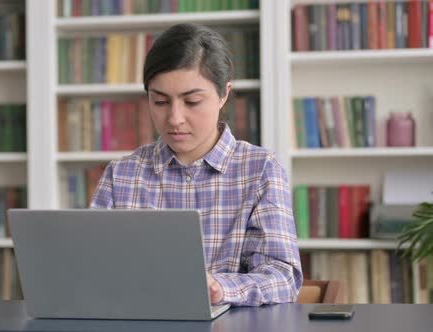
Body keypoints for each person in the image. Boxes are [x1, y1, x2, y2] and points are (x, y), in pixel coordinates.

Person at [90, 23, 302, 306]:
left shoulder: (260, 170)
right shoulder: (121, 175)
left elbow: (282, 277)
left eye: (192, 101)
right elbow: (92, 270)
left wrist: (220, 287)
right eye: (160, 102)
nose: (175, 118)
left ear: (223, 95)